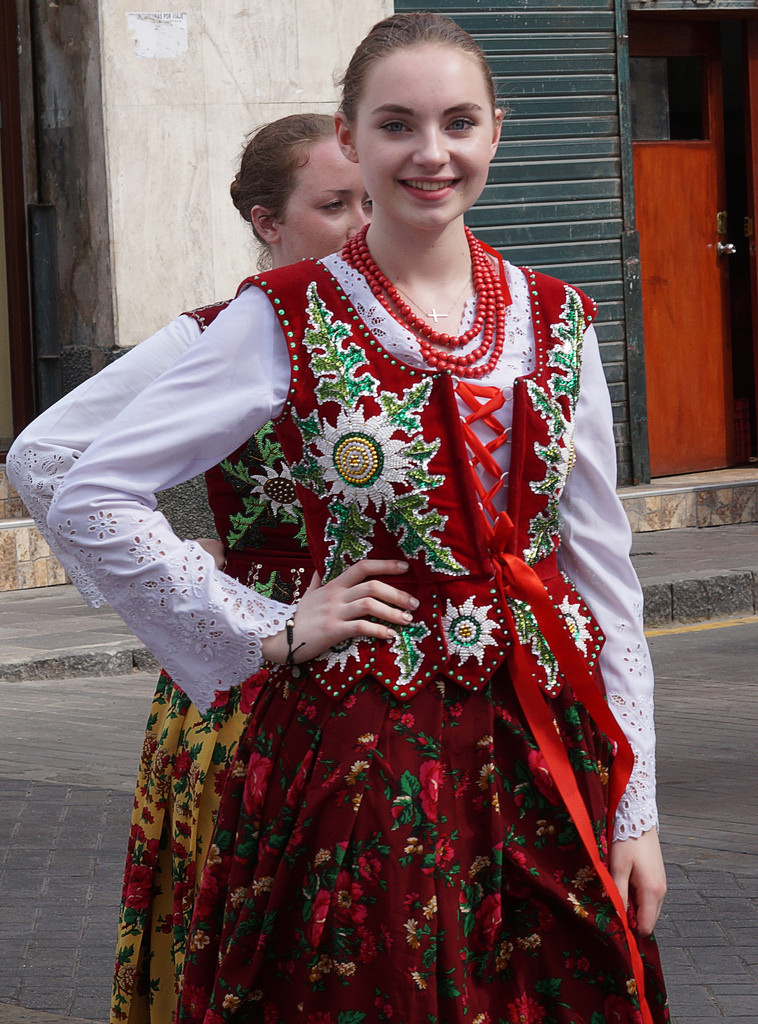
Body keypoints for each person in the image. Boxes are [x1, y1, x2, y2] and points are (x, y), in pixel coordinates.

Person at [45, 12, 669, 1022]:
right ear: (350, 139)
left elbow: (602, 575)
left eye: (457, 122)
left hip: (542, 746)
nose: (431, 154)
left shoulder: (557, 316)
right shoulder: (283, 313)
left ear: (495, 132)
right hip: (363, 754)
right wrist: (269, 628)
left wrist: (635, 813)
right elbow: (86, 492)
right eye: (396, 126)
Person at [7, 112, 370, 1024]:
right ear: (266, 222)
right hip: (261, 668)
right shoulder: (220, 334)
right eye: (335, 205)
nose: (363, 224)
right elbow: (45, 457)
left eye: (371, 200)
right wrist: (199, 589)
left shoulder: (424, 327)